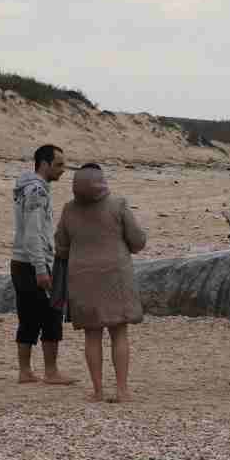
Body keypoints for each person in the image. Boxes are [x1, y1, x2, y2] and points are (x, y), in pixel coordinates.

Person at [55, 165, 148, 402]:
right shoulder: (118, 205)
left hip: (82, 278)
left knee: (92, 335)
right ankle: (122, 390)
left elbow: (61, 247)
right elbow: (137, 241)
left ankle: (97, 391)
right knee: (119, 333)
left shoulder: (68, 209)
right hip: (116, 276)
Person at [10, 144, 73, 385]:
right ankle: (38, 371)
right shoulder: (36, 191)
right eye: (58, 165)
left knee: (41, 316)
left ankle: (39, 371)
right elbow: (33, 234)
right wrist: (40, 268)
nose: (63, 170)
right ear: (44, 164)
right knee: (41, 316)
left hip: (28, 262)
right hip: (31, 264)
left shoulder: (31, 188)